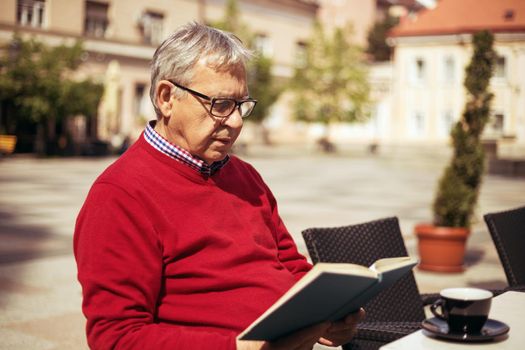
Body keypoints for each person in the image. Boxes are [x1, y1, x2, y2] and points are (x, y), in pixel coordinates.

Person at [74, 22, 364, 350]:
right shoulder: (119, 195)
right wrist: (238, 348)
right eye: (221, 105)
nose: (237, 121)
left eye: (241, 105)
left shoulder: (245, 176)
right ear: (167, 98)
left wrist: (328, 311)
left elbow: (288, 263)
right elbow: (117, 337)